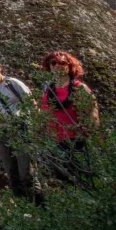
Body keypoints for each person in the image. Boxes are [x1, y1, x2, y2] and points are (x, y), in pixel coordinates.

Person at [0, 59, 42, 201]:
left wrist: (32, 125)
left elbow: (32, 103)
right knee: (10, 171)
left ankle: (40, 206)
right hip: (1, 132)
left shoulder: (13, 83)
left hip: (20, 130)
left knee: (26, 172)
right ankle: (22, 208)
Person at [41, 51, 100, 183]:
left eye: (62, 63)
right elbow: (44, 114)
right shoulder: (47, 90)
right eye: (53, 63)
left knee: (83, 179)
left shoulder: (80, 88)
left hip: (77, 140)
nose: (57, 66)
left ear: (69, 66)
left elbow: (93, 115)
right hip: (56, 141)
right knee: (65, 180)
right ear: (49, 66)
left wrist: (89, 136)